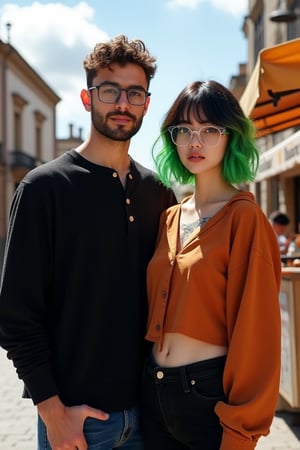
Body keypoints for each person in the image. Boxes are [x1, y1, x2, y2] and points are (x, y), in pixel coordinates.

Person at [0, 35, 176, 450]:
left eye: (134, 93)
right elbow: (15, 313)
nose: (122, 103)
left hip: (153, 417)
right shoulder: (44, 188)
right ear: (87, 97)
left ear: (146, 103)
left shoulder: (158, 191)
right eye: (110, 90)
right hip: (78, 424)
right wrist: (52, 412)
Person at [141, 80, 282, 450]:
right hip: (152, 390)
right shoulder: (169, 217)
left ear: (231, 136)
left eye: (209, 130)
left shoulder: (245, 219)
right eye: (183, 130)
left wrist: (240, 433)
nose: (195, 141)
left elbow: (258, 334)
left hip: (206, 397)